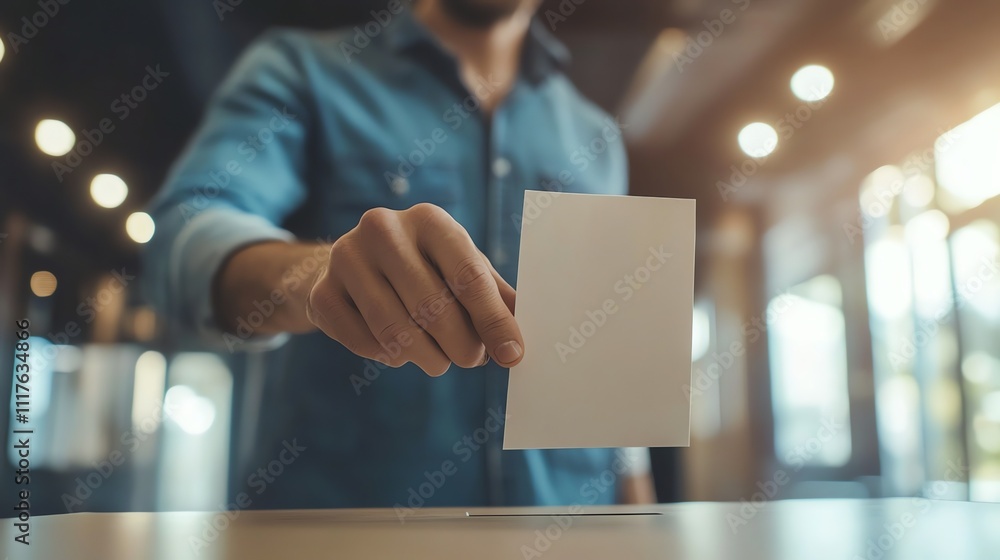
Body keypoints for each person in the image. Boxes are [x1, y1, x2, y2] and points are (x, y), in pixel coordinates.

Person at [143, 0, 654, 509]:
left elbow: (608, 341)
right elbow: (185, 233)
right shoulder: (302, 70)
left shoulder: (597, 137)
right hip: (346, 530)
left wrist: (635, 488)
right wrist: (320, 276)